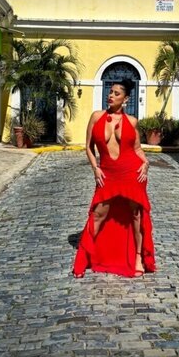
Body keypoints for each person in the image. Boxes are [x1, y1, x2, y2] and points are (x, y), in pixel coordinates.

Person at [72, 79, 156, 278]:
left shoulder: (132, 121)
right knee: (98, 214)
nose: (111, 95)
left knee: (136, 216)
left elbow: (137, 149)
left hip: (131, 173)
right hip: (107, 174)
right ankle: (83, 258)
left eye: (117, 93)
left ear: (125, 99)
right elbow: (88, 147)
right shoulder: (96, 116)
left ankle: (137, 258)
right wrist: (95, 169)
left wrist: (146, 163)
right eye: (110, 92)